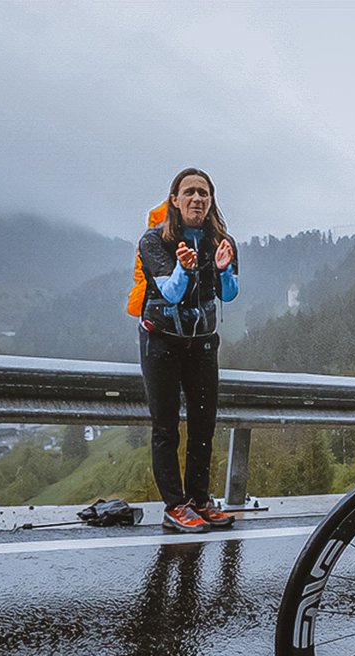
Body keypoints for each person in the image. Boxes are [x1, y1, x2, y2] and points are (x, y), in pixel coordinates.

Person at [137, 167, 239, 533]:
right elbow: (171, 292)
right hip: (161, 341)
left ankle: (199, 500)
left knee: (203, 424)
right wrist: (183, 268)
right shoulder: (154, 241)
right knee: (166, 426)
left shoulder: (221, 241)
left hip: (202, 343)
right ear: (175, 200)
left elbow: (228, 294)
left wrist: (224, 270)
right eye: (190, 192)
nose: (197, 199)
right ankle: (175, 505)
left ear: (211, 202)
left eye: (204, 193)